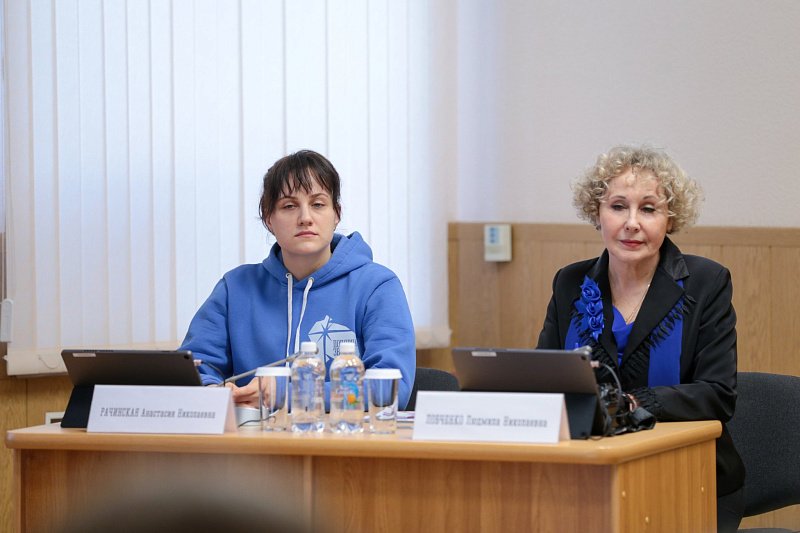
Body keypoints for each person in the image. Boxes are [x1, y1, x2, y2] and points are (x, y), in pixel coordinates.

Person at [536, 145, 744, 532]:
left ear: (670, 218)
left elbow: (717, 394)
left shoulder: (706, 282)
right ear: (597, 212)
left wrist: (630, 403)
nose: (632, 223)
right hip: (584, 473)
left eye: (648, 209)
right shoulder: (570, 282)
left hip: (690, 476)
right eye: (618, 206)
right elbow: (543, 381)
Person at [180, 150, 416, 410]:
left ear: (336, 214)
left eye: (318, 204)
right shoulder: (234, 288)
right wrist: (214, 393)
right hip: (254, 434)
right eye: (289, 206)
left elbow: (390, 390)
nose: (305, 218)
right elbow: (194, 369)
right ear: (268, 218)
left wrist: (287, 394)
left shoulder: (377, 286)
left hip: (344, 435)